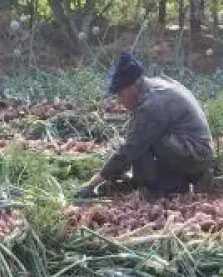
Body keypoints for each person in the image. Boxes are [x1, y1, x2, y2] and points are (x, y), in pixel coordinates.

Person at [76, 52, 213, 199]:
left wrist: (94, 182)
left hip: (196, 155)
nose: (119, 101)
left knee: (143, 141)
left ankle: (164, 189)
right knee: (143, 137)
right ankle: (149, 183)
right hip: (189, 148)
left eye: (121, 94)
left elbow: (131, 148)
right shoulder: (153, 87)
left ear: (135, 85)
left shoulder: (152, 104)